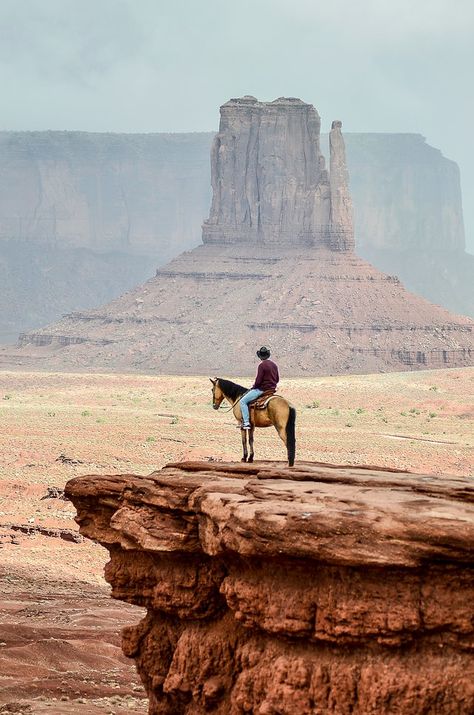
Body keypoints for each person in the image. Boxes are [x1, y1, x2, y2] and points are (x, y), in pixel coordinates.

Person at [239, 346, 279, 429]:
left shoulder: (262, 365)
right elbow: (277, 379)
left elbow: (258, 380)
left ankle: (246, 423)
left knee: (242, 401)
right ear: (268, 355)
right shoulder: (274, 365)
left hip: (262, 390)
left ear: (260, 356)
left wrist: (254, 387)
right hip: (271, 390)